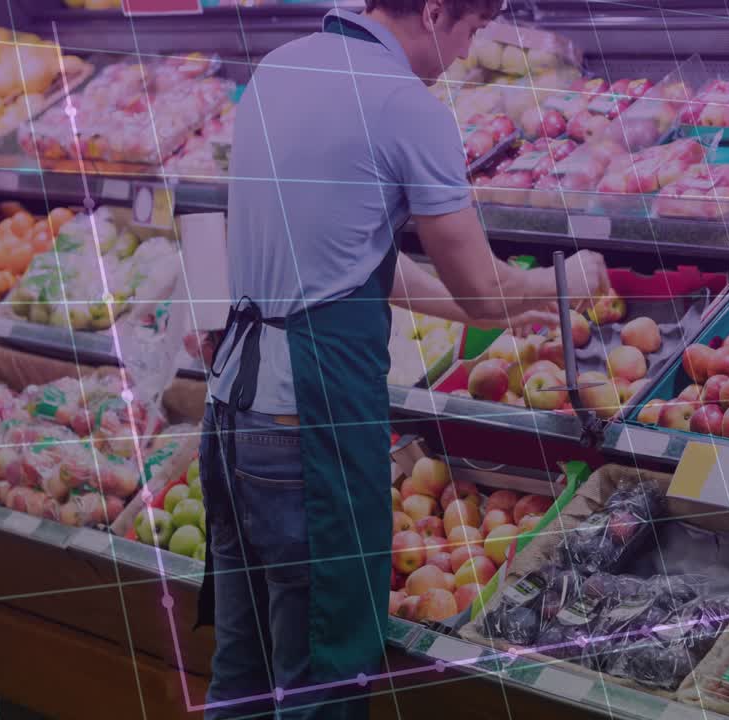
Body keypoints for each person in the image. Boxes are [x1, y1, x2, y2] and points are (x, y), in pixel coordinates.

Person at [199, 1, 608, 718]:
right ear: (433, 11)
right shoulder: (403, 105)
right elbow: (483, 290)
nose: (464, 54)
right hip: (309, 426)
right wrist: (563, 283)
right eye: (470, 30)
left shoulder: (280, 70)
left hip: (235, 413)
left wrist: (502, 303)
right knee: (320, 674)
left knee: (244, 671)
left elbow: (353, 258)